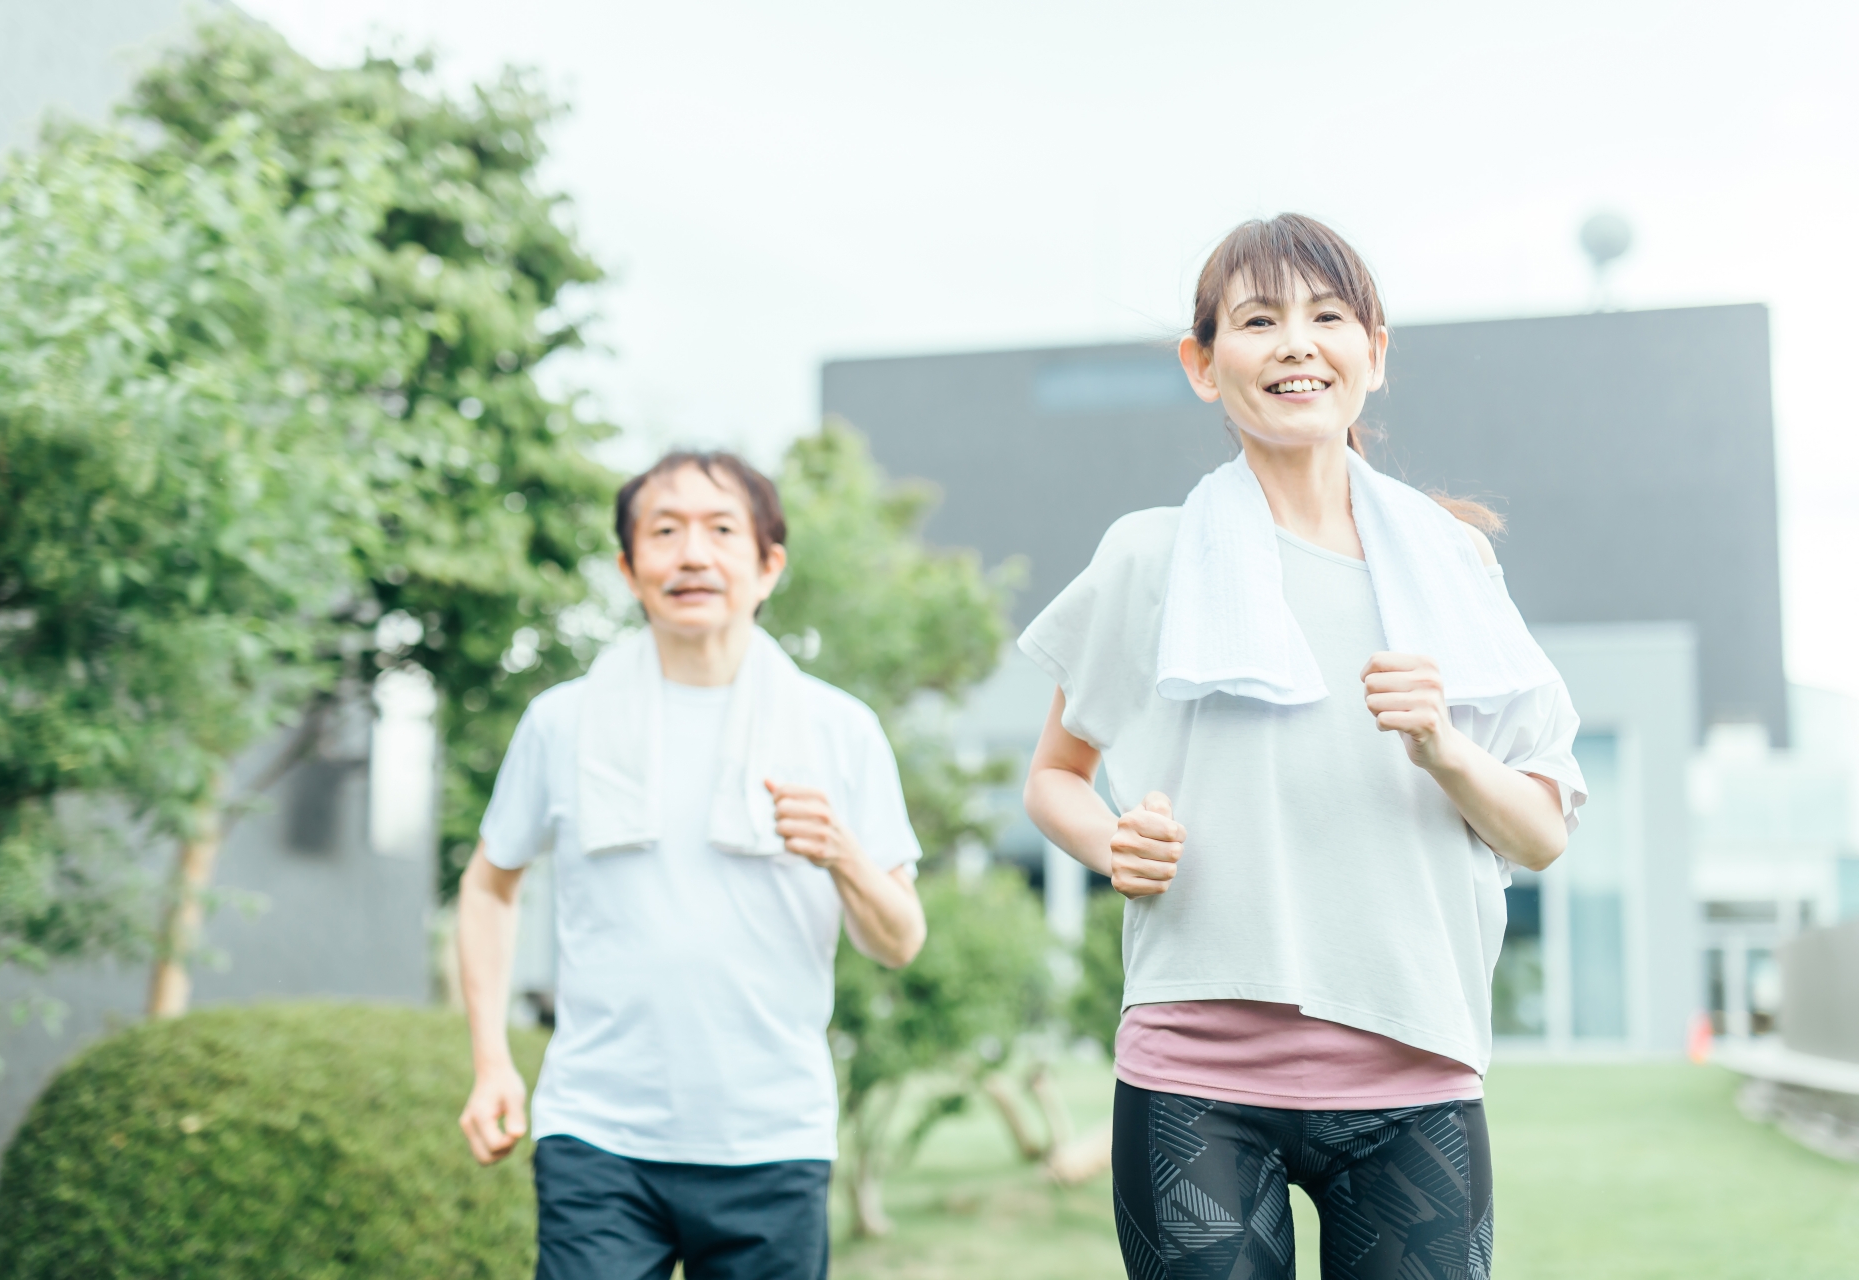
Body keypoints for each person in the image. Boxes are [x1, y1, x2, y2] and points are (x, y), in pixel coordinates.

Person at [1020, 214, 1586, 1280]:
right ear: (1203, 362)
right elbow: (1056, 777)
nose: (1295, 342)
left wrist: (1446, 748)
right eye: (1258, 319)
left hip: (1414, 1075)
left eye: (1327, 316)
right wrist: (1108, 843)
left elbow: (1544, 828)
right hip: (1195, 1075)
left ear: (1374, 352)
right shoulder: (1151, 555)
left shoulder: (1451, 563)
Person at [455, 450, 927, 1280]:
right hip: (597, 1135)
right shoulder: (560, 723)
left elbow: (899, 942)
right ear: (629, 568)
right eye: (664, 532)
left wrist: (842, 852)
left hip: (773, 1139)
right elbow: (490, 885)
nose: (692, 555)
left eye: (720, 530)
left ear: (768, 563)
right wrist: (492, 1061)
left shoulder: (838, 730)